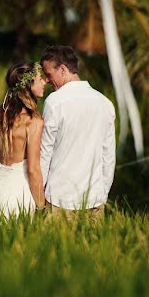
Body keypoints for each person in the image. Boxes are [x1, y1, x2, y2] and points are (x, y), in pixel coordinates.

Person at [39, 45, 116, 216]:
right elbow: (108, 156)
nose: (46, 80)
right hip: (95, 199)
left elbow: (45, 154)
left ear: (63, 70)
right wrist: (102, 194)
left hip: (58, 200)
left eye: (49, 74)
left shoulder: (54, 102)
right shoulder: (105, 104)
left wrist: (39, 198)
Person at [0, 62, 47, 217]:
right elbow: (33, 169)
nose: (44, 82)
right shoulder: (33, 122)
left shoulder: (0, 116)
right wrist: (40, 207)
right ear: (29, 85)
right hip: (20, 196)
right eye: (40, 79)